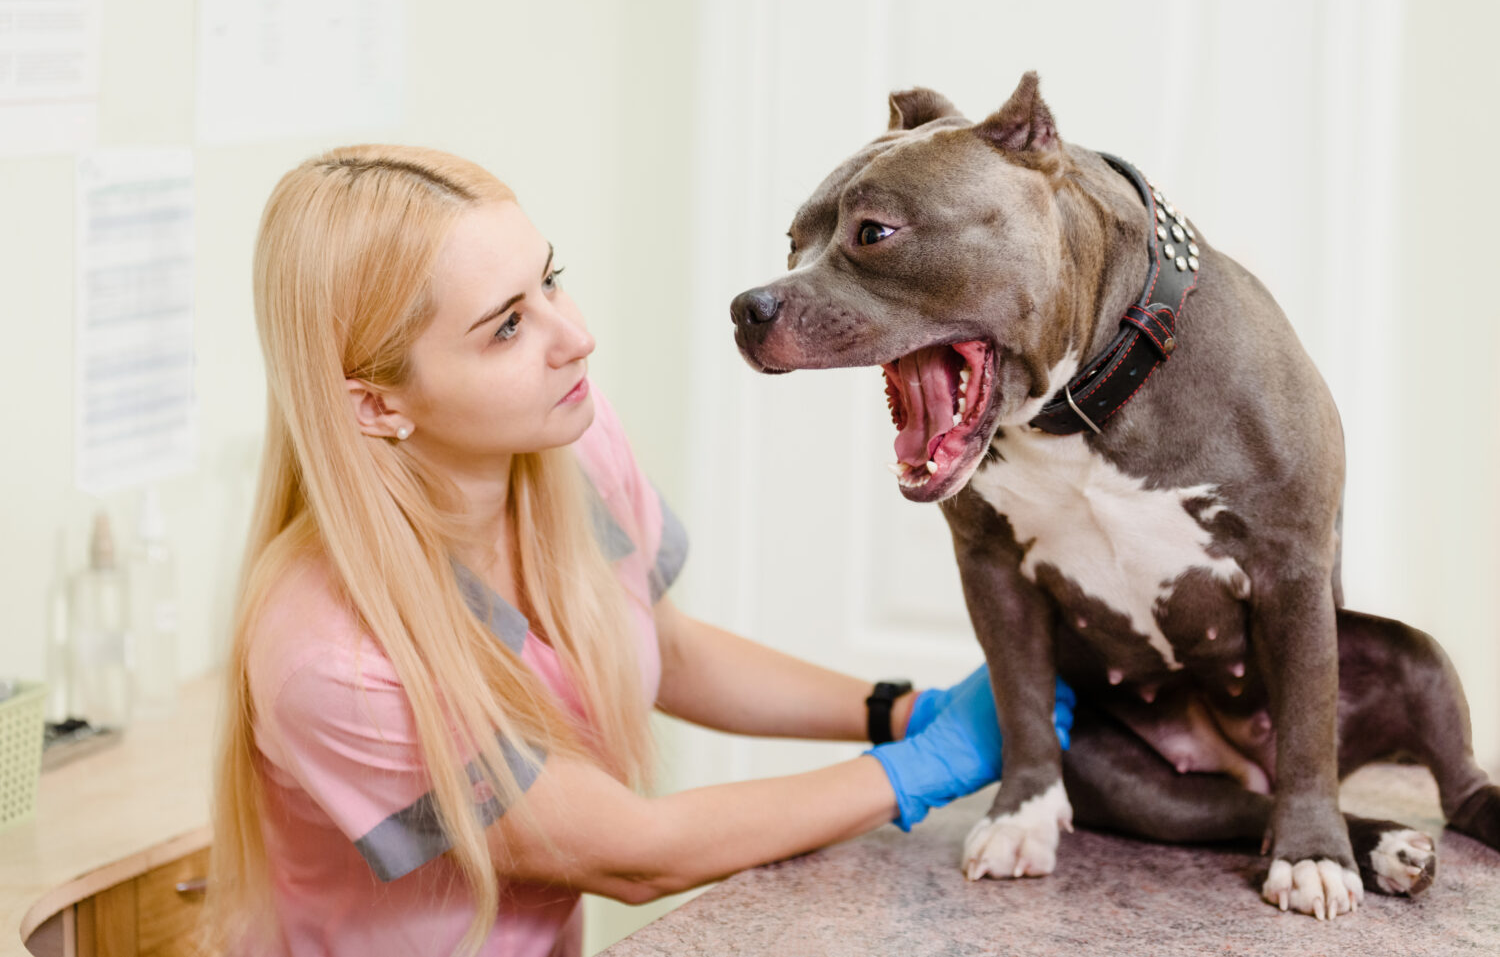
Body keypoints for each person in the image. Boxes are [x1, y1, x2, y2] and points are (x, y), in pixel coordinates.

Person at [203, 145, 1075, 957]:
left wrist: (902, 709)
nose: (573, 335)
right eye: (507, 326)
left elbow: (665, 647)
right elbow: (635, 853)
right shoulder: (332, 661)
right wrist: (926, 764)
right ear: (376, 405)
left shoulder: (565, 446)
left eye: (550, 281)